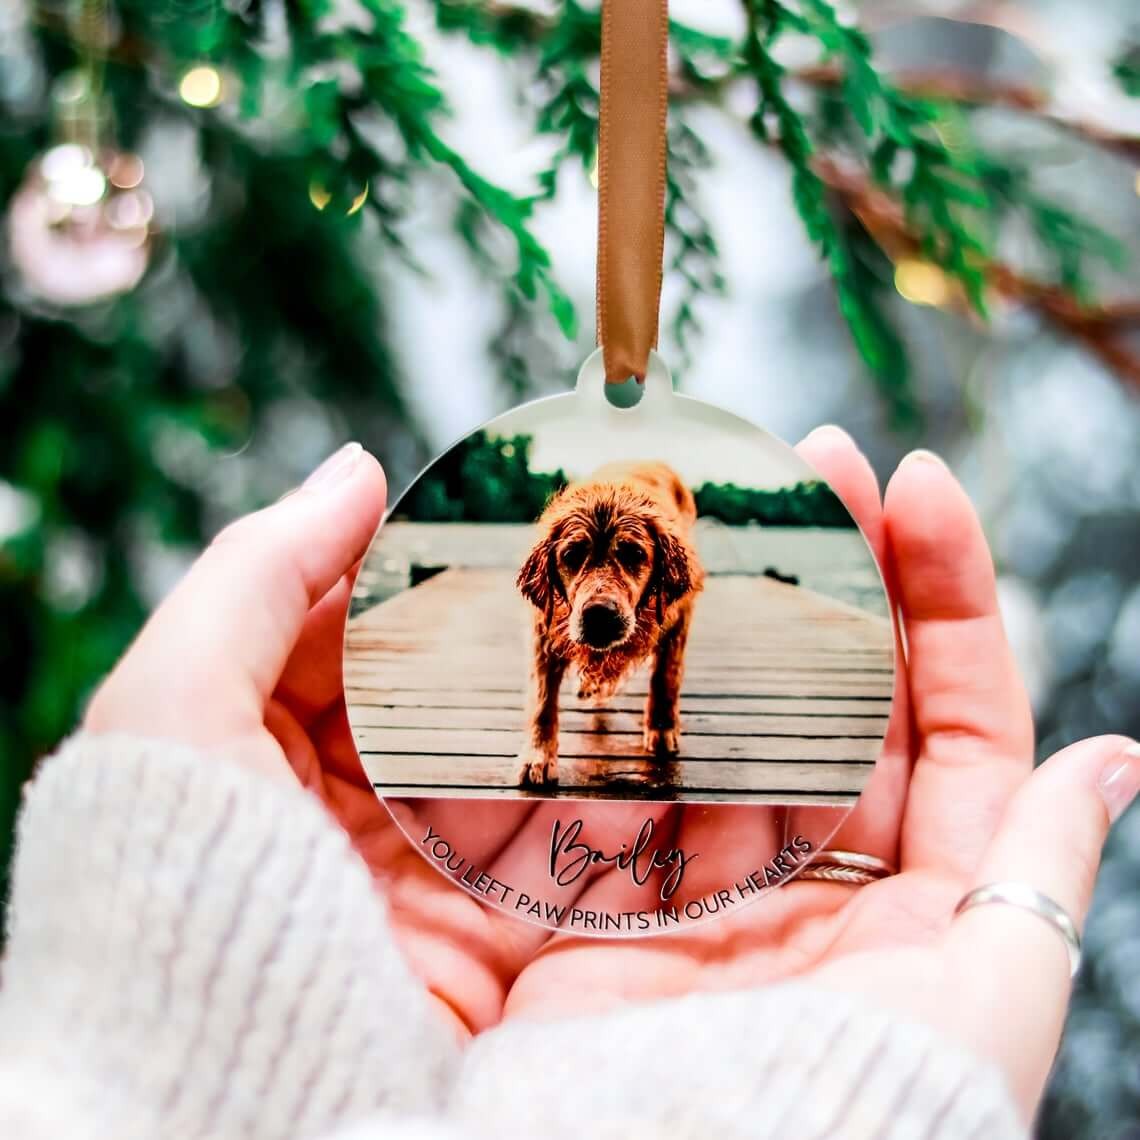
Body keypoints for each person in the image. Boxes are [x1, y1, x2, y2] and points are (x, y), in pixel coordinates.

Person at [0, 428, 1134, 1140]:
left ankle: (663, 707)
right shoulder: (554, 577)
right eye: (584, 572)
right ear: (550, 577)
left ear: (662, 569)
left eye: (627, 568)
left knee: (657, 667)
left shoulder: (672, 573)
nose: (602, 589)